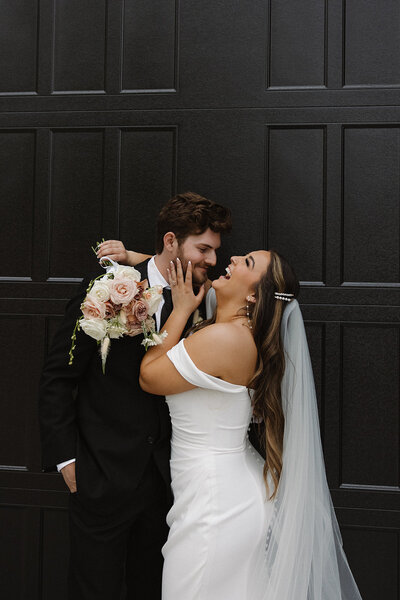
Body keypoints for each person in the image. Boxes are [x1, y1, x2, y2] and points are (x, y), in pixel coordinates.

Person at [38, 191, 231, 600]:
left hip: (169, 485)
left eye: (215, 251)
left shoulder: (204, 298)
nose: (213, 261)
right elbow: (59, 375)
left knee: (154, 589)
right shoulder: (109, 288)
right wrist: (66, 459)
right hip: (101, 474)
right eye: (204, 249)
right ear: (171, 241)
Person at [139, 251, 363, 600]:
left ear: (255, 295)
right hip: (223, 488)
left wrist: (181, 309)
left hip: (218, 501)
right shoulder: (234, 329)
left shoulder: (227, 339)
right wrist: (131, 256)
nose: (233, 257)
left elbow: (149, 377)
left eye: (246, 262)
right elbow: (179, 263)